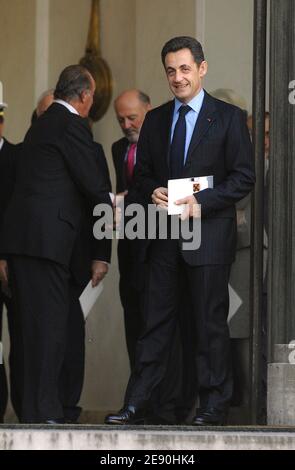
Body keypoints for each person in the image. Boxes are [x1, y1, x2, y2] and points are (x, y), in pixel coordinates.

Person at [105, 36, 255, 426]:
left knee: (209, 325)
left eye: (185, 68)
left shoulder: (229, 118)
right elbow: (143, 178)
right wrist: (149, 188)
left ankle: (212, 406)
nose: (178, 77)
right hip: (165, 239)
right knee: (154, 324)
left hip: (207, 237)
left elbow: (244, 177)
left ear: (202, 69)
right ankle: (136, 403)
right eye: (171, 70)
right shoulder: (155, 120)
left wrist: (202, 202)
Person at [0, 65, 112, 424]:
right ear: (83, 97)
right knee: (50, 332)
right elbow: (94, 187)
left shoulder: (40, 127)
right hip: (48, 245)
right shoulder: (70, 125)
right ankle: (47, 416)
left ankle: (34, 412)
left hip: (24, 244)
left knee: (31, 332)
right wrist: (102, 246)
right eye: (92, 97)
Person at [112, 89, 151, 369]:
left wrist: (127, 199)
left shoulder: (163, 143)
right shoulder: (118, 148)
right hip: (128, 243)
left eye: (132, 118)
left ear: (148, 110)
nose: (127, 125)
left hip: (156, 243)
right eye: (121, 120)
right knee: (132, 318)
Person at [0, 100, 22, 422]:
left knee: (19, 340)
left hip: (13, 265)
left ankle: (22, 406)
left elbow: (17, 212)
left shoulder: (18, 157)